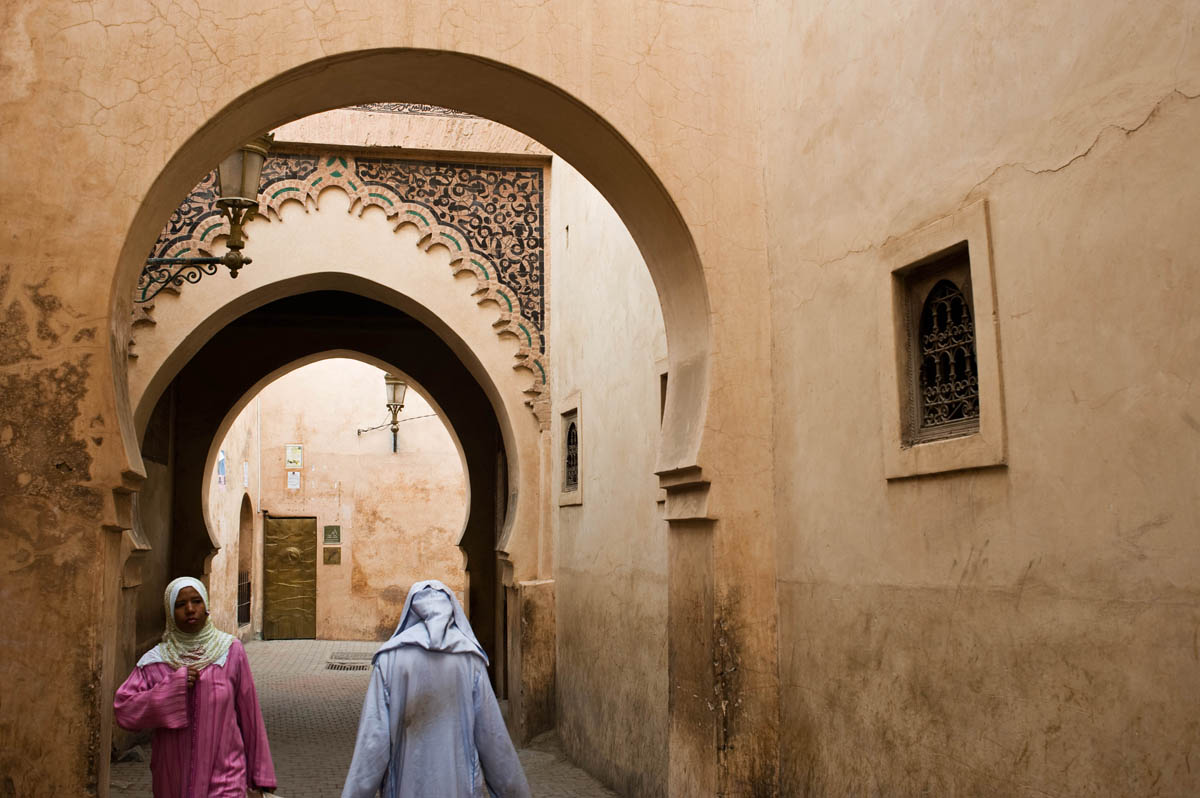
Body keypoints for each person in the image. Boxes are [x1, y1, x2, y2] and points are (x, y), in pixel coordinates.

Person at [341, 579, 531, 798]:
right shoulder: (469, 661)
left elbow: (372, 744)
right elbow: (493, 741)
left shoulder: (390, 660)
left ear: (411, 611)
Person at [114, 576, 277, 798]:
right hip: (173, 779)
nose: (190, 609)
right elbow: (124, 711)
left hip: (227, 776)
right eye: (180, 605)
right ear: (170, 612)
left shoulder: (230, 651)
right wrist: (170, 691)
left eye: (196, 601)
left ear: (206, 606)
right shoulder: (155, 661)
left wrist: (261, 775)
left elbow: (250, 716)